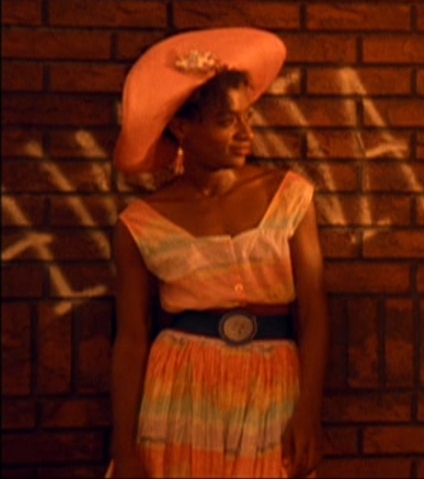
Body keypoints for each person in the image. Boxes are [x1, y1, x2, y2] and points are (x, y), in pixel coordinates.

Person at [108, 27, 329, 478]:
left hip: (272, 387)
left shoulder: (290, 196)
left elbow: (314, 312)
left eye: (248, 118)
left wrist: (308, 412)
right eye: (228, 121)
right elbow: (131, 337)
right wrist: (124, 448)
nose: (245, 133)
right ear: (182, 127)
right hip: (179, 394)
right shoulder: (140, 223)